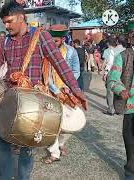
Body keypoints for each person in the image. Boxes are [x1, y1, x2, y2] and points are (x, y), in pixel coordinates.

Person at [0, 2, 87, 179]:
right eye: (4, 23)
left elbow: (60, 64)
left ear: (21, 17)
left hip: (33, 104)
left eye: (9, 21)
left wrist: (76, 90)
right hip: (10, 99)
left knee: (26, 148)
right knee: (0, 139)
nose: (6, 26)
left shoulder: (41, 36)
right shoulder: (5, 40)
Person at [43, 24, 80, 164]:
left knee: (68, 122)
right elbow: (46, 75)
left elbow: (76, 71)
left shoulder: (71, 52)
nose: (52, 44)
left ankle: (61, 143)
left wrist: (67, 85)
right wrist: (56, 90)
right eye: (51, 41)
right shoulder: (46, 53)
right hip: (51, 92)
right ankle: (54, 153)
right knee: (50, 123)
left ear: (63, 39)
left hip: (67, 91)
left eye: (56, 41)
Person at [107, 20, 134, 180]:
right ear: (131, 38)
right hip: (131, 109)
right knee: (131, 151)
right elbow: (112, 80)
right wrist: (121, 89)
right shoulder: (123, 57)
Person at [113, 35, 129, 115]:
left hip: (115, 72)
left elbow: (109, 62)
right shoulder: (126, 51)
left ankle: (112, 108)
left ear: (117, 41)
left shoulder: (114, 50)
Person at [102, 37, 118, 115]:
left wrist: (103, 71)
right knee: (117, 91)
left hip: (110, 72)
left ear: (108, 43)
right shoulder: (120, 50)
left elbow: (106, 62)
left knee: (110, 92)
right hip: (119, 73)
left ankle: (111, 110)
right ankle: (117, 108)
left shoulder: (107, 51)